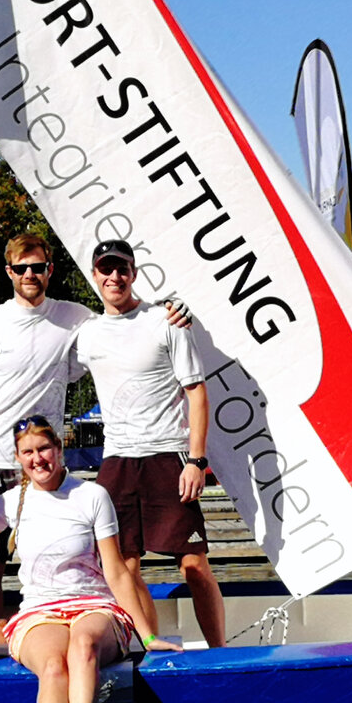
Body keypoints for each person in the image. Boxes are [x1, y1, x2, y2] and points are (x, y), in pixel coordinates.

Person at [0, 416, 181, 703]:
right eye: (27, 452)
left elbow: (116, 571)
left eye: (44, 448)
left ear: (59, 450)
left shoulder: (91, 495)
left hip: (94, 605)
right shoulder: (9, 503)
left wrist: (147, 637)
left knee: (83, 646)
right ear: (18, 457)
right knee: (54, 666)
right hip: (40, 611)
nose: (37, 458)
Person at [0, 234, 191, 516]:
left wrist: (169, 307)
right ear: (9, 272)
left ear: (49, 270)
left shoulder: (76, 317)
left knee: (51, 552)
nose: (29, 274)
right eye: (21, 268)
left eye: (38, 267)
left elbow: (122, 321)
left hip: (44, 462)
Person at [71, 239, 226, 648]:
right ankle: (153, 643)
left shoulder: (166, 321)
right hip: (118, 459)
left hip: (167, 455)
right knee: (124, 565)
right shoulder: (85, 334)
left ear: (134, 273)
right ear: (95, 277)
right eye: (106, 270)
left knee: (193, 565)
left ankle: (219, 652)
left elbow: (197, 393)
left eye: (121, 269)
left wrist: (196, 460)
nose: (114, 277)